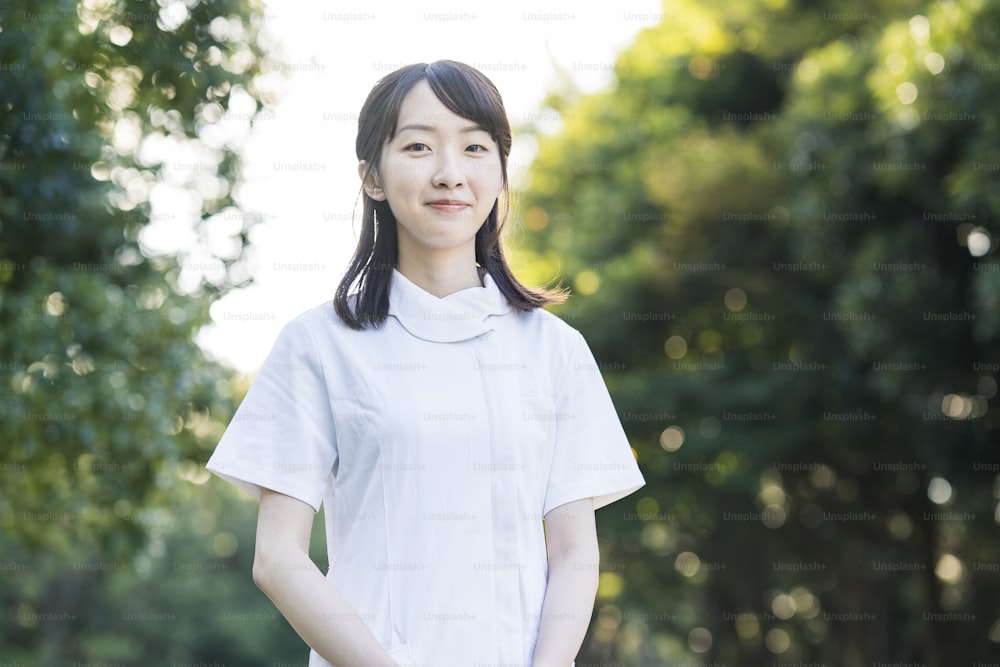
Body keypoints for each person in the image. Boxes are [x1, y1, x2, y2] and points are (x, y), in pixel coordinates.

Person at [206, 60, 645, 667]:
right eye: (418, 147)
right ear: (372, 177)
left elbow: (574, 553)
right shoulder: (318, 344)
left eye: (474, 148)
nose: (449, 174)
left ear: (499, 173)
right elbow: (278, 559)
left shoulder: (554, 351)